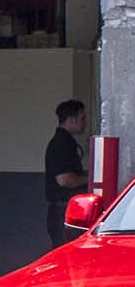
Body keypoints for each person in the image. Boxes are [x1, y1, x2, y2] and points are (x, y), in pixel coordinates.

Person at [44, 98, 88, 247]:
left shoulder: (65, 142)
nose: (85, 122)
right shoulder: (61, 144)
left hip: (63, 209)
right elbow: (65, 180)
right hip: (62, 209)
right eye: (82, 118)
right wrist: (90, 179)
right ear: (72, 120)